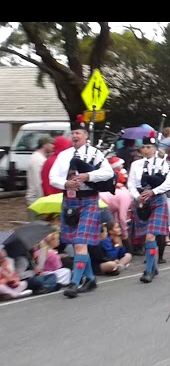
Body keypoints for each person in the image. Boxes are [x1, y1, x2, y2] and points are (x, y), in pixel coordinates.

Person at [49, 115, 115, 299]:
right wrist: (65, 184)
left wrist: (88, 176)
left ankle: (74, 282)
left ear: (86, 135)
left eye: (78, 132)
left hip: (89, 200)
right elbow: (52, 178)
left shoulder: (95, 153)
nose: (74, 136)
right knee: (78, 243)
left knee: (80, 243)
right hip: (70, 200)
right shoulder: (64, 156)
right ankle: (91, 278)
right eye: (73, 133)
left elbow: (108, 173)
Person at [128, 130, 170, 283]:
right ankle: (153, 266)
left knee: (151, 235)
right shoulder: (135, 164)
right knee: (146, 237)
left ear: (155, 148)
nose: (145, 150)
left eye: (149, 147)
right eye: (143, 147)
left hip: (157, 200)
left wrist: (154, 191)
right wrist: (138, 197)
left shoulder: (164, 163)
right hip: (142, 201)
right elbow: (131, 184)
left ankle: (148, 270)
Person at [26, 136, 54, 206]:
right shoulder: (38, 160)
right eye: (51, 144)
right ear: (45, 145)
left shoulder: (40, 158)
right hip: (36, 200)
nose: (53, 146)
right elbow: (38, 181)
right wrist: (43, 199)